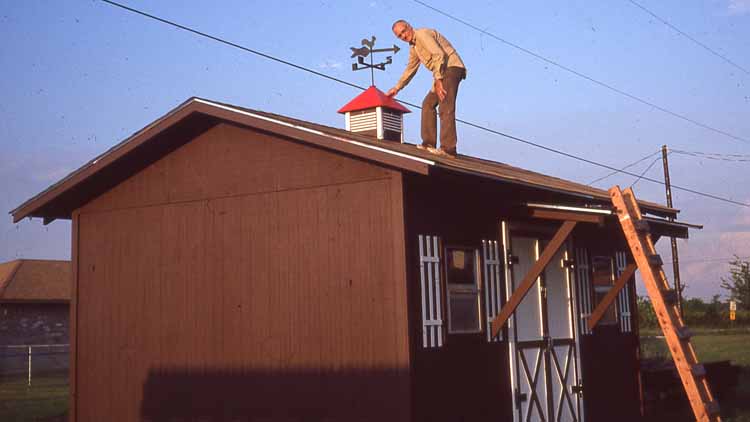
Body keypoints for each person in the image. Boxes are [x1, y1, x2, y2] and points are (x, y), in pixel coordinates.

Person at [386, 20, 466, 157]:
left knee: (445, 104)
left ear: (409, 26)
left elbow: (438, 54)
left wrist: (438, 80)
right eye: (399, 36)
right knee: (427, 104)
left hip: (451, 68)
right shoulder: (414, 47)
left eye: (404, 31)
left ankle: (448, 149)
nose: (403, 36)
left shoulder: (422, 34)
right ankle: (428, 143)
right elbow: (410, 69)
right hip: (441, 73)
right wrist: (397, 88)